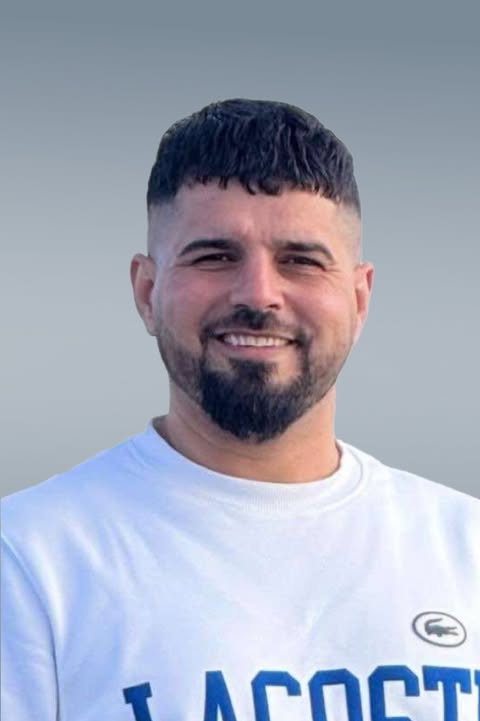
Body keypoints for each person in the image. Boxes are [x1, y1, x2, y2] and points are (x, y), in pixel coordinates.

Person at [1, 99, 479, 721]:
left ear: (360, 299)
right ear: (147, 292)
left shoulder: (466, 549)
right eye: (215, 256)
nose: (258, 294)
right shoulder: (29, 562)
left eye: (300, 260)